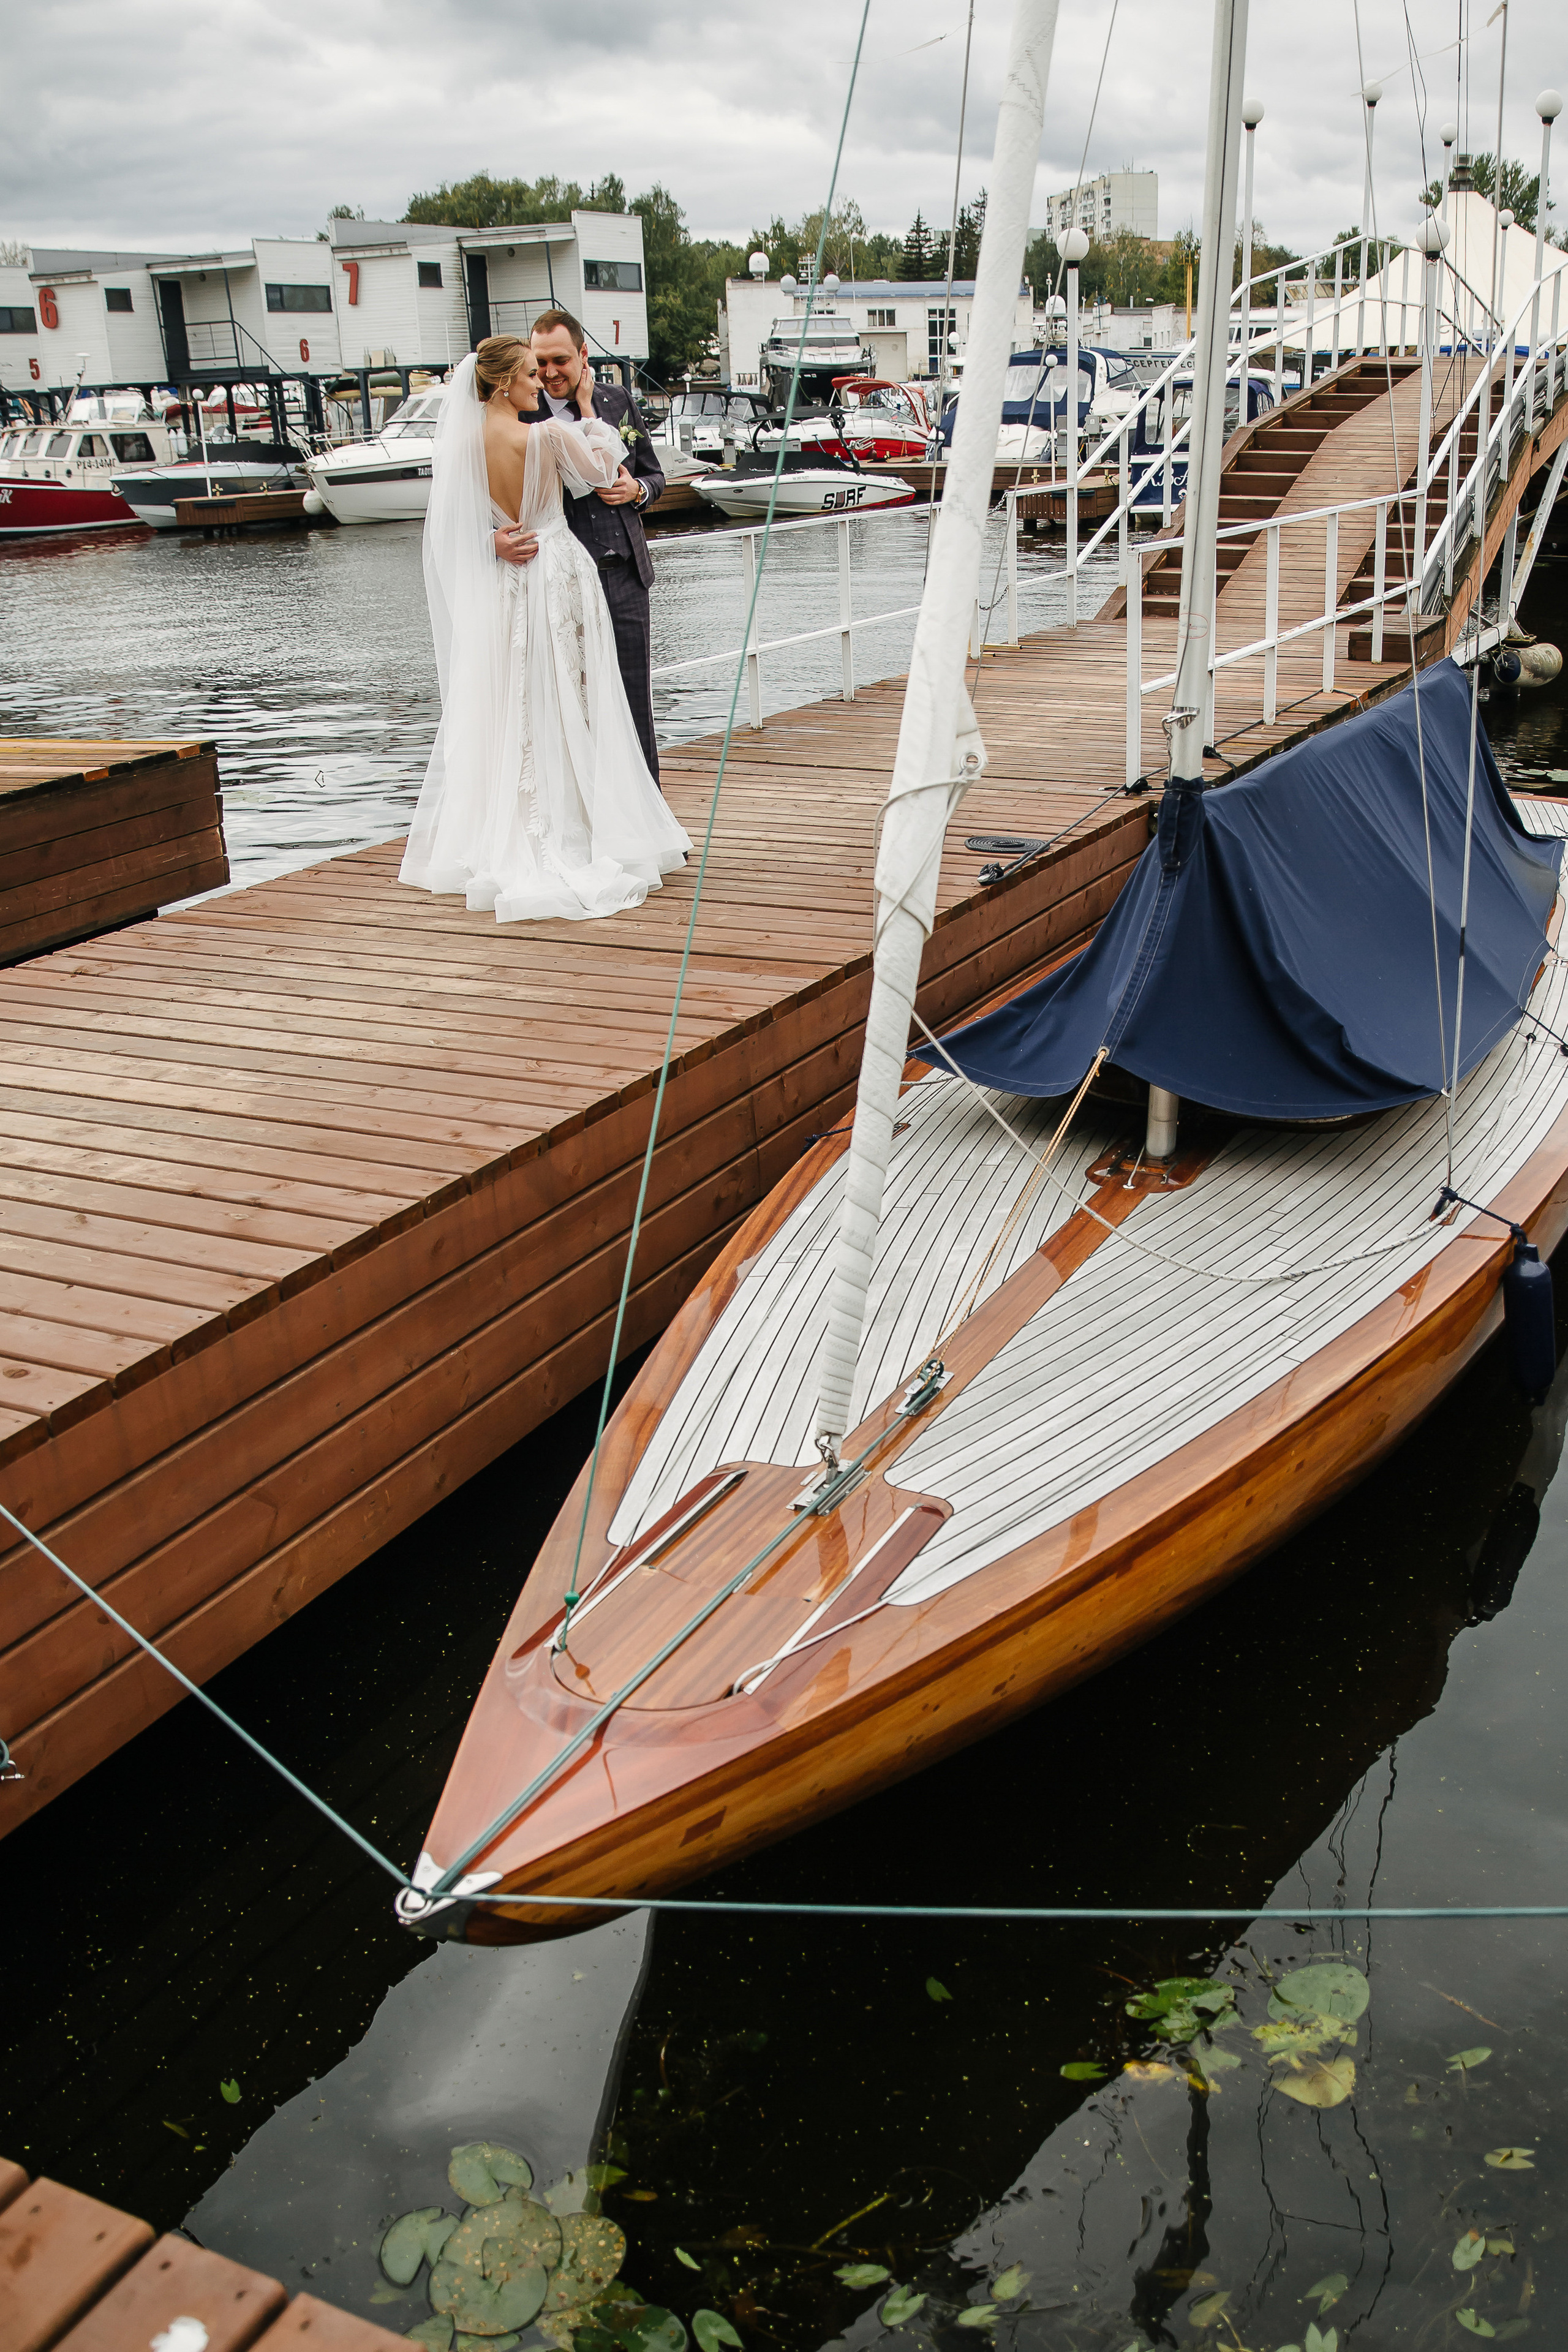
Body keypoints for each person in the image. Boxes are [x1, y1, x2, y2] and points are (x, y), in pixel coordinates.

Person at [399, 336, 690, 924]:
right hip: (556, 569)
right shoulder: (548, 434)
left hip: (510, 582)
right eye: (531, 373)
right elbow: (602, 471)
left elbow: (448, 529)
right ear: (505, 381)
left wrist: (491, 541)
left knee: (520, 704)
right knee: (573, 701)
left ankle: (521, 824)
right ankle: (580, 827)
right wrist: (586, 409)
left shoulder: (461, 442)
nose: (540, 381)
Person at [492, 309, 665, 783]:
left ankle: (650, 821)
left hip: (626, 575)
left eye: (560, 361)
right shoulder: (520, 414)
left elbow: (654, 474)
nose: (549, 373)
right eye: (540, 362)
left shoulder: (617, 400)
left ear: (583, 356)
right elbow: (479, 500)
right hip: (560, 585)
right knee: (572, 707)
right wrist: (493, 541)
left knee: (633, 703)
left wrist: (640, 492)